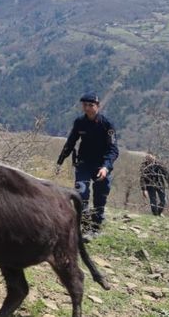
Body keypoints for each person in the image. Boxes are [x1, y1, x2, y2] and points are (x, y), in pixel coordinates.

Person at [56, 92, 118, 241]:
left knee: (100, 196)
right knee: (81, 195)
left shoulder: (107, 125)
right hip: (83, 163)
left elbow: (113, 150)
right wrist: (60, 160)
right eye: (85, 105)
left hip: (101, 165)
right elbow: (71, 142)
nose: (88, 108)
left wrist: (106, 167)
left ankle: (95, 228)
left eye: (91, 105)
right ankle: (83, 226)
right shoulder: (79, 122)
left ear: (98, 106)